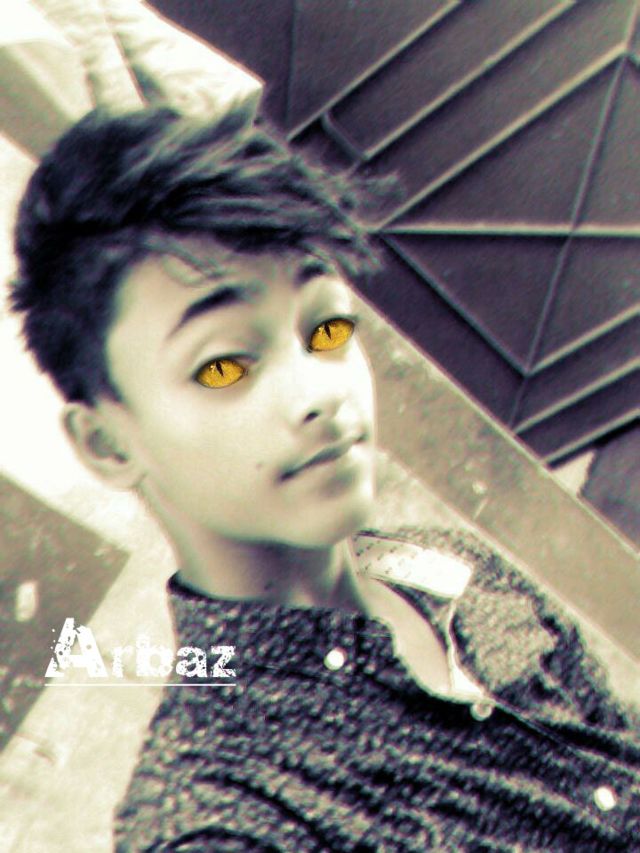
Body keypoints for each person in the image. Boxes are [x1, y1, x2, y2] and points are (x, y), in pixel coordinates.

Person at [10, 104, 639, 852]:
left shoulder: (443, 567)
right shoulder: (222, 817)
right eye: (224, 365)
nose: (321, 391)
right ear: (108, 443)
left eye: (328, 329)